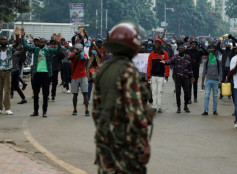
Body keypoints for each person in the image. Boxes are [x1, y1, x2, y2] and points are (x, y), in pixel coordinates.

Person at [92, 22, 154, 174]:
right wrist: (144, 143)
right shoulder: (128, 70)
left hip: (104, 138)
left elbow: (96, 108)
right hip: (124, 142)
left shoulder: (104, 69)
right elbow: (135, 113)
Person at [22, 28, 62, 117]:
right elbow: (26, 47)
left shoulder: (48, 50)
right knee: (36, 93)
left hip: (46, 74)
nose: (41, 44)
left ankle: (44, 111)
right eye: (40, 42)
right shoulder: (35, 49)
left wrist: (59, 43)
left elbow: (57, 51)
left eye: (43, 42)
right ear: (38, 43)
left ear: (45, 43)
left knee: (45, 93)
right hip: (36, 73)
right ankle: (35, 111)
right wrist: (22, 37)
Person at [160, 44, 194, 113]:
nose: (181, 50)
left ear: (184, 50)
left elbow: (190, 68)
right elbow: (169, 62)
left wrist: (192, 77)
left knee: (187, 92)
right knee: (178, 93)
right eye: (179, 49)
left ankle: (185, 106)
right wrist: (165, 62)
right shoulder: (175, 57)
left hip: (186, 77)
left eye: (182, 49)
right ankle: (179, 107)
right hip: (177, 78)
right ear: (178, 50)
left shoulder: (188, 57)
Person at [146, 38, 170, 113]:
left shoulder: (164, 54)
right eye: (155, 43)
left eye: (157, 43)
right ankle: (154, 106)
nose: (156, 45)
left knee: (160, 91)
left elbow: (166, 65)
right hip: (153, 75)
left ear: (160, 45)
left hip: (161, 75)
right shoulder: (152, 54)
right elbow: (149, 65)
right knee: (154, 91)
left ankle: (159, 107)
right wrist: (148, 75)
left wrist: (167, 75)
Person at [0, 27, 19, 115]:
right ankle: (0, 108)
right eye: (2, 39)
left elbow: (17, 44)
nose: (3, 41)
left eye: (5, 39)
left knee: (7, 90)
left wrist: (17, 35)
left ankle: (7, 108)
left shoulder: (9, 48)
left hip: (7, 72)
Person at [68, 43, 90, 116]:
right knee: (75, 94)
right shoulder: (72, 54)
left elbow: (85, 59)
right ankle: (75, 109)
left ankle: (86, 109)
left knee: (85, 93)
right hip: (75, 76)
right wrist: (75, 53)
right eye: (77, 49)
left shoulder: (83, 54)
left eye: (79, 49)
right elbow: (69, 58)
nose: (78, 50)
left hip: (83, 76)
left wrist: (81, 54)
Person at [201, 46, 221, 116]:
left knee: (215, 96)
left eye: (212, 52)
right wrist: (202, 83)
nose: (211, 53)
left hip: (215, 81)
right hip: (208, 81)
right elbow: (204, 72)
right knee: (207, 96)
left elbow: (220, 72)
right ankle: (205, 110)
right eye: (209, 52)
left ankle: (214, 110)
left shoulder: (218, 61)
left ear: (215, 53)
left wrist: (220, 81)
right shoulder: (206, 62)